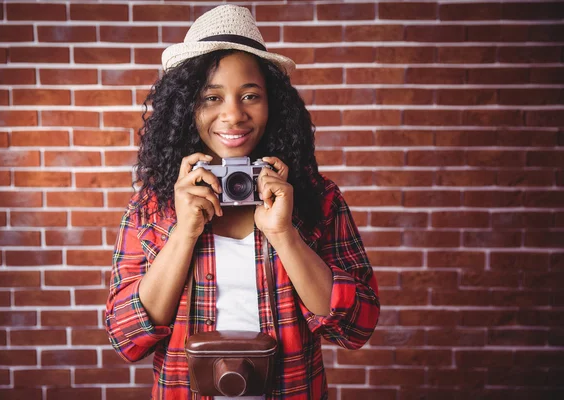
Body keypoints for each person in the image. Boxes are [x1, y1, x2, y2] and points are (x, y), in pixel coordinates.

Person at [105, 5, 380, 399]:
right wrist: (184, 233)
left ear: (274, 105)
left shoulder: (317, 199)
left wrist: (285, 235)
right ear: (186, 110)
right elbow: (125, 337)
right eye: (211, 97)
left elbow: (357, 327)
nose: (233, 115)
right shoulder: (153, 208)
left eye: (250, 95)